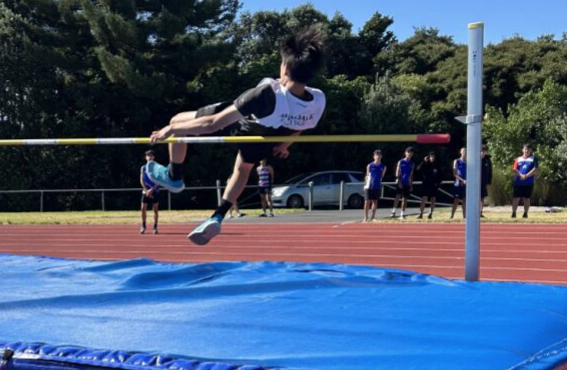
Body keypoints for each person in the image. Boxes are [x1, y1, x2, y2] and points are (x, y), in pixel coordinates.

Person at [147, 27, 326, 245]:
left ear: (285, 68)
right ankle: (218, 215)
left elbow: (213, 124)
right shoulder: (318, 100)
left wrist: (172, 130)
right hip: (263, 140)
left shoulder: (267, 94)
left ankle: (174, 176)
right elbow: (301, 127)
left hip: (240, 126)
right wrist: (284, 144)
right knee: (242, 170)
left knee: (177, 120)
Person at [511, 144, 538, 219]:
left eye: (528, 149)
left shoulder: (533, 159)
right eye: (525, 149)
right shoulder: (518, 159)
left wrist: (526, 176)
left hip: (528, 182)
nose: (527, 151)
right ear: (523, 150)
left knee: (527, 198)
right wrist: (521, 175)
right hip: (518, 182)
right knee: (516, 198)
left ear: (531, 151)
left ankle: (525, 213)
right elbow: (514, 169)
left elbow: (535, 169)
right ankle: (513, 213)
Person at [139, 150, 160, 234]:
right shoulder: (143, 167)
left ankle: (155, 227)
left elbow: (159, 180)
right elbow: (141, 180)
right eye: (148, 156)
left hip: (155, 190)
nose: (149, 157)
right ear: (145, 157)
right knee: (143, 208)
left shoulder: (157, 167)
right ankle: (143, 225)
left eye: (151, 155)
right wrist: (146, 189)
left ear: (153, 157)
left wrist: (152, 189)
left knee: (155, 209)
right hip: (146, 190)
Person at [390, 147, 415, 220]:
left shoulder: (412, 164)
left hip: (407, 183)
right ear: (405, 153)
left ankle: (402, 214)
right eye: (408, 152)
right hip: (400, 182)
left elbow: (411, 175)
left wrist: (411, 185)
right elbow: (397, 172)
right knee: (397, 197)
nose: (409, 154)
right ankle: (393, 211)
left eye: (411, 152)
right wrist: (399, 181)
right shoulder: (401, 161)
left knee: (405, 199)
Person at [363, 150, 386, 222]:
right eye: (376, 155)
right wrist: (366, 184)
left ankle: (373, 217)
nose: (378, 156)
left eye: (379, 155)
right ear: (374, 157)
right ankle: (365, 217)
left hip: (377, 186)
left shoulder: (383, 166)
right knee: (367, 201)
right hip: (369, 186)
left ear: (381, 156)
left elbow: (382, 176)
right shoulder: (370, 165)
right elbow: (367, 176)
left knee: (375, 202)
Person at [417, 152, 441, 219]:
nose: (432, 158)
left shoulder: (437, 165)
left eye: (433, 156)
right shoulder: (425, 164)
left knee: (433, 199)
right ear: (429, 157)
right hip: (426, 184)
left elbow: (440, 175)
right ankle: (421, 214)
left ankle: (430, 213)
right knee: (424, 198)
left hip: (433, 185)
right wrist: (424, 161)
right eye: (431, 156)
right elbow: (418, 169)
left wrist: (437, 183)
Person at [450, 148, 467, 219]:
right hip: (458, 183)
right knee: (456, 200)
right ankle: (452, 215)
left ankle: (464, 216)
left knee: (465, 200)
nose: (465, 153)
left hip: (465, 183)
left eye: (466, 151)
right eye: (463, 151)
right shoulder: (456, 161)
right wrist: (462, 180)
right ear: (460, 152)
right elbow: (454, 173)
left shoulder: (468, 162)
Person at [480, 144, 493, 217]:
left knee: (482, 198)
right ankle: (474, 212)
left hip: (484, 182)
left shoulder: (487, 160)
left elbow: (490, 171)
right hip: (476, 182)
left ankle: (480, 212)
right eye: (482, 151)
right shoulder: (475, 159)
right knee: (475, 197)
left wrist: (489, 181)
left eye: (485, 151)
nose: (483, 152)